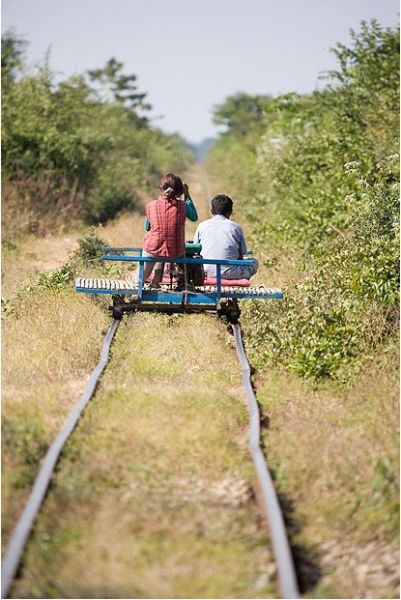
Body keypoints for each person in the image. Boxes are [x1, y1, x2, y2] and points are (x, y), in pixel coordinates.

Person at [142, 173, 198, 288]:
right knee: (166, 248)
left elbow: (147, 227)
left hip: (153, 250)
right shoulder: (183, 206)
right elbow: (194, 217)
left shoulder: (151, 205)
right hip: (176, 252)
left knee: (158, 247)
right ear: (180, 191)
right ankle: (159, 281)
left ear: (162, 188)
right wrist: (187, 195)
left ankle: (152, 281)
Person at [193, 194, 259, 279]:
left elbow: (195, 251)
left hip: (205, 272)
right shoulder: (236, 227)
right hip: (231, 274)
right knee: (254, 262)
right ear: (230, 212)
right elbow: (240, 256)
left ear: (212, 211)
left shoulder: (202, 226)